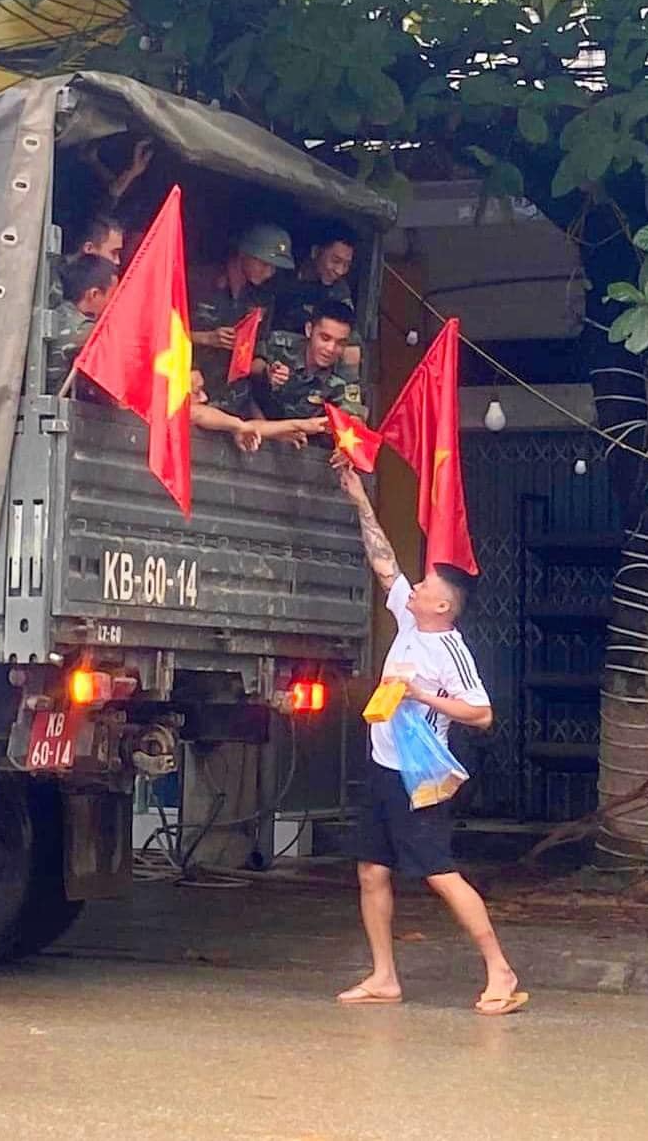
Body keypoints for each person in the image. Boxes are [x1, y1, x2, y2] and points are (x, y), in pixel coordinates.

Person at [333, 463, 525, 1017]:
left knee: (440, 872)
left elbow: (481, 715)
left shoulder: (450, 650)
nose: (413, 589)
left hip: (420, 777)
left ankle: (500, 970)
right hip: (381, 765)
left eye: (424, 589)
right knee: (371, 869)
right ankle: (384, 976)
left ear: (442, 606)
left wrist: (421, 695)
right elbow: (384, 561)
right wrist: (359, 499)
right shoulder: (410, 622)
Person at [188, 222, 295, 403]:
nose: (268, 272)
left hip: (232, 401)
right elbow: (158, 331)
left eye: (274, 267)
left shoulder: (263, 298)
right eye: (263, 263)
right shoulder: (198, 281)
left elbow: (257, 352)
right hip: (189, 389)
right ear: (243, 253)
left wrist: (268, 371)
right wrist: (205, 338)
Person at [256, 299, 366, 422]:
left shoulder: (344, 370)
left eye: (340, 343)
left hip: (307, 436)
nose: (331, 349)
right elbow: (247, 373)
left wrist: (353, 420)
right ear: (309, 330)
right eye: (325, 338)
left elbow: (352, 412)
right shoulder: (277, 344)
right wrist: (265, 374)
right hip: (259, 427)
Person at [189, 368, 323, 452]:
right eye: (197, 391)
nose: (204, 397)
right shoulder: (175, 411)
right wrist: (239, 426)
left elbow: (251, 426)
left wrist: (298, 425)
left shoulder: (216, 419)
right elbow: (197, 413)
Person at [46, 253, 119, 391]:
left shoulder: (61, 314)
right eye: (113, 296)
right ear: (94, 294)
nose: (115, 304)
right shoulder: (82, 330)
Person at [272, 226, 357, 334]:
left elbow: (348, 334)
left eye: (347, 265)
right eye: (335, 261)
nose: (340, 271)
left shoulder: (339, 290)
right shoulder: (282, 271)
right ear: (315, 252)